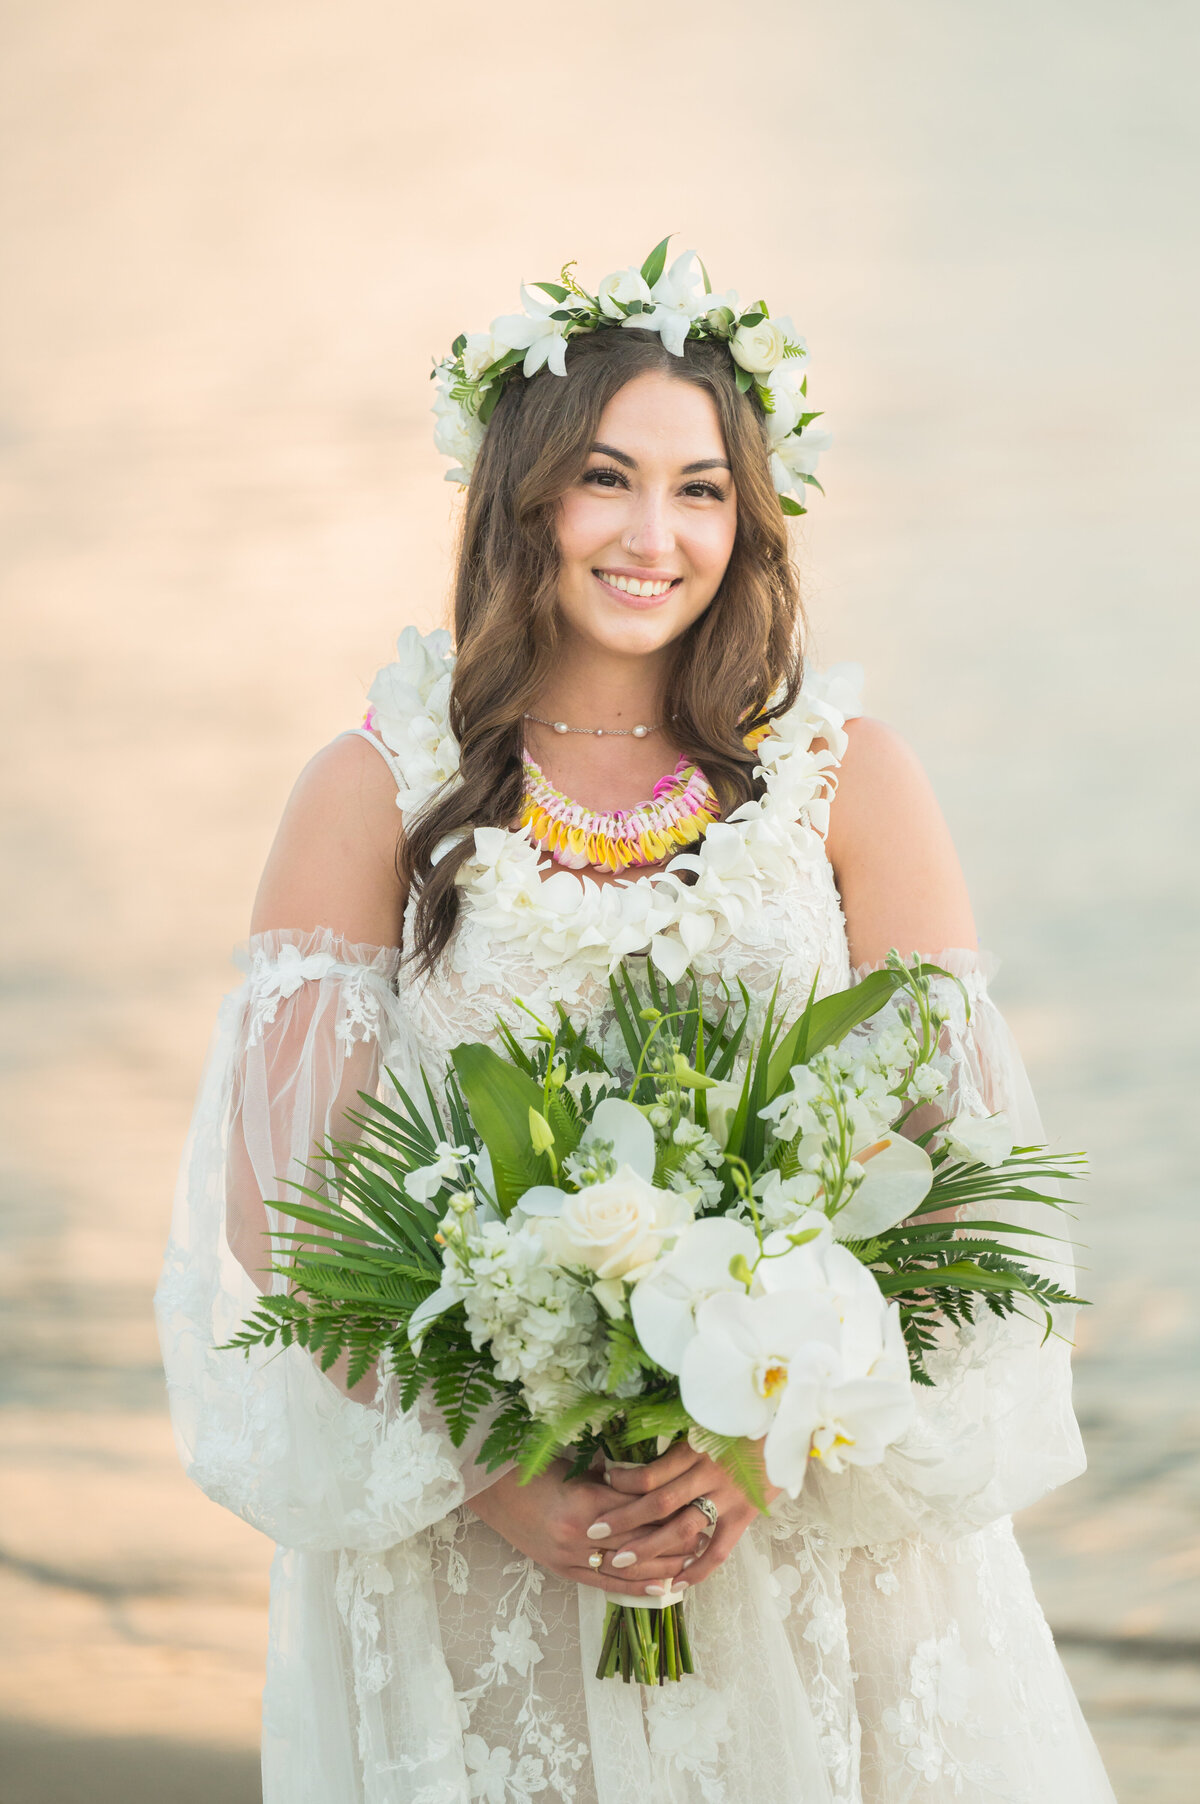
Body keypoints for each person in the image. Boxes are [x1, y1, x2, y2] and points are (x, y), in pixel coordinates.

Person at [155, 250, 1116, 1802]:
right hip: (491, 1559)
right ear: (521, 496)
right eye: (608, 479)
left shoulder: (841, 776)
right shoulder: (377, 786)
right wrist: (490, 1470)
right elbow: (291, 1212)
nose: (657, 537)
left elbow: (956, 1173)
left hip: (796, 1530)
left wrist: (770, 1430)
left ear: (752, 517)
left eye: (703, 489)